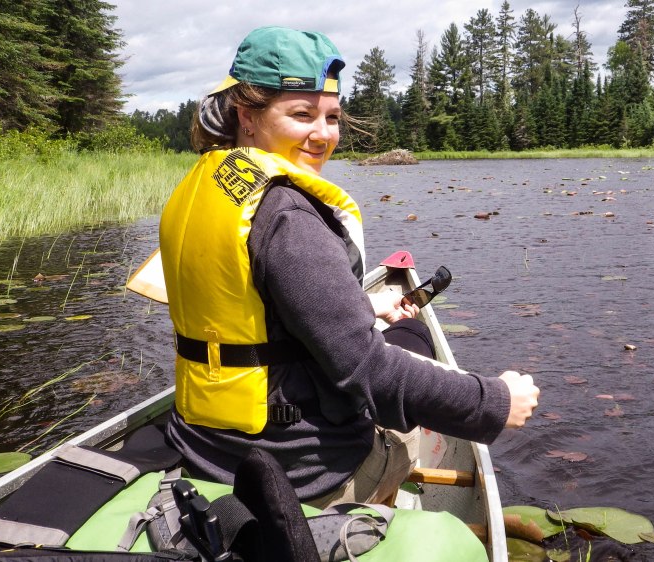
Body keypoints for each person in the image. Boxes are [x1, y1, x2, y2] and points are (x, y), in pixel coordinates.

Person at [158, 26, 540, 508]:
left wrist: (360, 308)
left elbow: (249, 308)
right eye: (302, 115)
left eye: (332, 117)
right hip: (299, 472)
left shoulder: (202, 188)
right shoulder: (289, 217)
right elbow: (370, 374)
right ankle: (374, 506)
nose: (323, 135)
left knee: (395, 332)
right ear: (247, 116)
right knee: (412, 338)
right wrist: (496, 402)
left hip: (206, 447)